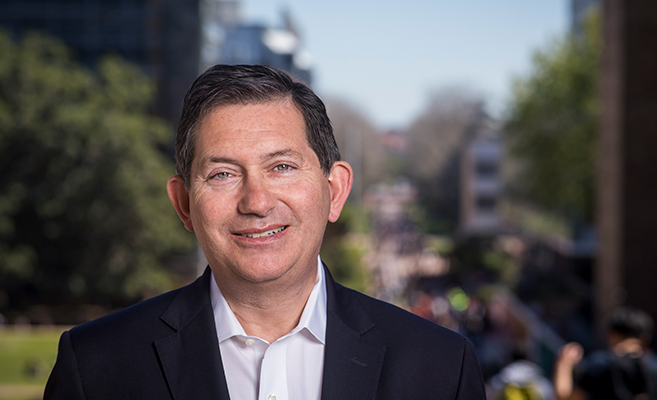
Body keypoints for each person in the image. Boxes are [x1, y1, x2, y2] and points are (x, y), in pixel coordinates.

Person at [44, 64, 486, 400]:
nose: (256, 201)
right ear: (183, 204)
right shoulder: (96, 368)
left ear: (335, 191)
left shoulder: (442, 368)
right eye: (222, 174)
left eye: (282, 167)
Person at [554, 307, 657, 400]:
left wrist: (564, 364)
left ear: (611, 334)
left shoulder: (600, 363)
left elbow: (566, 398)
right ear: (646, 339)